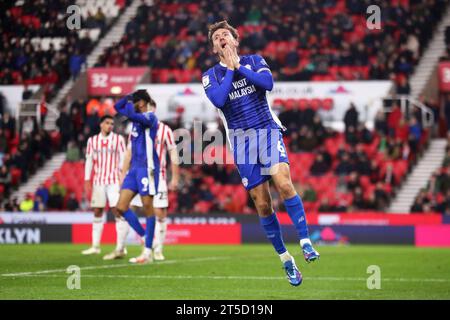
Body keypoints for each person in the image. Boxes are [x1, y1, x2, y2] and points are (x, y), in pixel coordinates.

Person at [202, 21, 319, 287]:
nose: (222, 38)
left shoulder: (255, 61)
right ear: (214, 48)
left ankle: (305, 242)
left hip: (267, 130)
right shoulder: (210, 76)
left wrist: (239, 66)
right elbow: (219, 100)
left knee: (284, 183)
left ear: (236, 40)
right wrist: (231, 70)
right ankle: (286, 259)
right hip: (241, 142)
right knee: (263, 203)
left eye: (226, 35)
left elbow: (267, 83)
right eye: (217, 37)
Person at [123, 98, 180, 261]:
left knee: (160, 212)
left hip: (158, 175)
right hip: (137, 174)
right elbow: (129, 153)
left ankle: (158, 249)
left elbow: (173, 153)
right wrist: (124, 174)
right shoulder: (135, 128)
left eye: (149, 108)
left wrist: (174, 178)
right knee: (131, 207)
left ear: (154, 109)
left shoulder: (165, 130)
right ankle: (145, 247)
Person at [113, 89, 160, 264]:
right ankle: (149, 238)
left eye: (136, 102)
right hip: (134, 169)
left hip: (147, 167)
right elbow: (116, 107)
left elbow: (131, 115)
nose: (133, 105)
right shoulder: (135, 115)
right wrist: (128, 97)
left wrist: (131, 105)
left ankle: (147, 252)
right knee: (121, 207)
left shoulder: (150, 117)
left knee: (148, 207)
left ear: (142, 102)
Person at [82, 115, 130, 260]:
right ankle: (95, 246)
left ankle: (121, 246)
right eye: (107, 123)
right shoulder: (92, 141)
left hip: (114, 180)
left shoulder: (118, 140)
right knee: (97, 211)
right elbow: (89, 160)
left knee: (118, 211)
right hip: (98, 180)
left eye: (112, 123)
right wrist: (87, 179)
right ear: (101, 125)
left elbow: (124, 159)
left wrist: (124, 177)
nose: (110, 125)